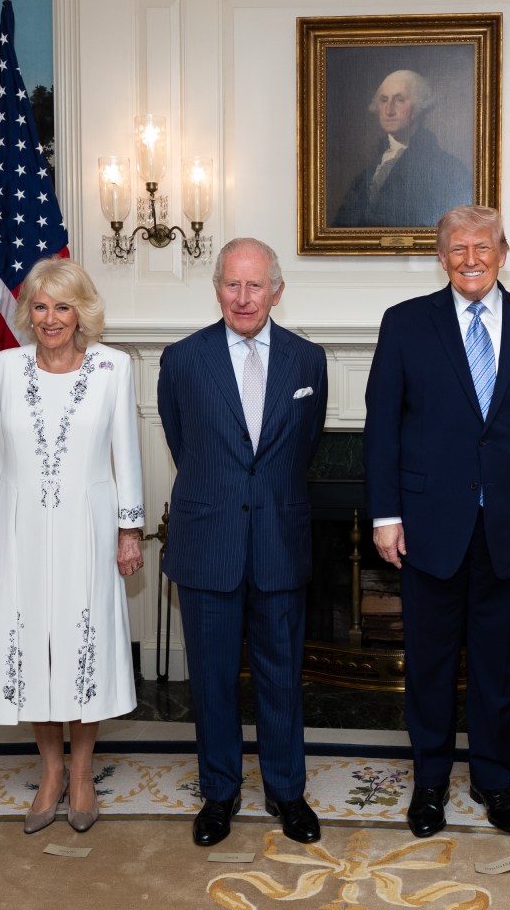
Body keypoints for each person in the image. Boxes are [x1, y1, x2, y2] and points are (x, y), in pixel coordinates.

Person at [364, 205, 510, 838]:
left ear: (503, 252)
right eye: (457, 248)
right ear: (441, 257)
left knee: (498, 668)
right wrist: (385, 515)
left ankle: (493, 781)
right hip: (428, 528)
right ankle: (429, 784)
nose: (470, 259)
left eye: (482, 246)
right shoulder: (404, 324)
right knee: (428, 666)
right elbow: (382, 429)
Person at [157, 238, 329, 847]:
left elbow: (301, 451)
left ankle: (287, 793)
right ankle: (219, 794)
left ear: (277, 291)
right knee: (211, 679)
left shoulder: (309, 361)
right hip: (209, 545)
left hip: (281, 543)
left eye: (256, 286)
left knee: (282, 677)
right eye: (232, 284)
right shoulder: (181, 360)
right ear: (217, 288)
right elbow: (185, 446)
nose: (243, 297)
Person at [0, 257, 145, 835]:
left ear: (82, 313)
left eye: (63, 307)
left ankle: (81, 773)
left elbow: (127, 452)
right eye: (41, 306)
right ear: (29, 312)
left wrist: (128, 530)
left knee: (79, 644)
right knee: (33, 646)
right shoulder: (6, 364)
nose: (51, 319)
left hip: (89, 529)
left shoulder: (113, 368)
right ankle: (49, 773)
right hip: (20, 529)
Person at [332, 69, 473, 228]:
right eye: (384, 100)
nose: (389, 110)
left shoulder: (449, 169)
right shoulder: (366, 175)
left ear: (420, 106)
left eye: (399, 100)